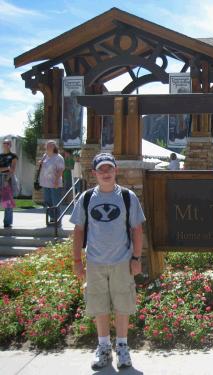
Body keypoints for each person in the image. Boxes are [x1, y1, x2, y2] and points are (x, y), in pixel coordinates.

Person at [70, 153, 146, 370]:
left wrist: (136, 258)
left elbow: (137, 229)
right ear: (94, 173)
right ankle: (103, 348)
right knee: (98, 305)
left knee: (123, 305)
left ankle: (122, 348)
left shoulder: (127, 197)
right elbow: (78, 231)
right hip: (94, 262)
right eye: (101, 169)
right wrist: (77, 260)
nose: (105, 173)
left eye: (109, 169)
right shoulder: (85, 199)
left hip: (122, 261)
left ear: (116, 171)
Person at [38, 140, 65, 225]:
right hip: (45, 183)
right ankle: (52, 217)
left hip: (54, 183)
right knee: (47, 201)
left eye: (51, 146)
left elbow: (61, 170)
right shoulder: (45, 156)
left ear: (54, 147)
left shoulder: (58, 157)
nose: (49, 147)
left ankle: (57, 219)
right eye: (48, 145)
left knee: (55, 202)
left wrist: (56, 181)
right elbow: (41, 166)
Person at [0, 139, 17, 228]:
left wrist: (7, 179)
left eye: (7, 143)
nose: (5, 145)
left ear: (10, 145)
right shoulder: (0, 155)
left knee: (7, 202)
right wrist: (6, 167)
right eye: (4, 143)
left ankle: (7, 222)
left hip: (7, 178)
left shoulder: (13, 156)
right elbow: (7, 168)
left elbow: (12, 169)